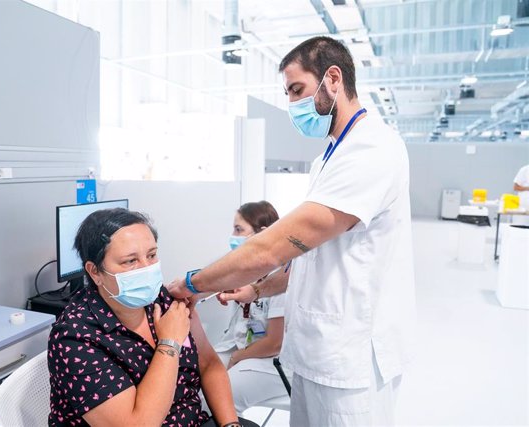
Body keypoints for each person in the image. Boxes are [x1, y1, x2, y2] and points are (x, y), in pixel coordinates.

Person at [168, 36, 415, 426]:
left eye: (297, 90)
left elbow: (273, 248)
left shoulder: (373, 149)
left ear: (333, 78)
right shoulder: (326, 160)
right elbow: (309, 257)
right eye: (287, 94)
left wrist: (191, 284)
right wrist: (256, 290)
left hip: (351, 361)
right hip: (314, 353)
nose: (292, 105)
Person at [47, 208, 254, 427]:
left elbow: (209, 365)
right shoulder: (76, 337)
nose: (147, 268)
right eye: (130, 261)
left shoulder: (163, 301)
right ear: (95, 272)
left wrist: (230, 424)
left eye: (152, 255)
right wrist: (169, 343)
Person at [212, 201, 291, 414]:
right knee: (198, 378)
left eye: (239, 229)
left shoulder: (280, 278)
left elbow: (275, 343)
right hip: (248, 348)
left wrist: (238, 358)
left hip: (274, 360)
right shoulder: (250, 271)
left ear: (262, 233)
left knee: (221, 395)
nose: (233, 235)